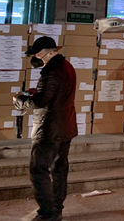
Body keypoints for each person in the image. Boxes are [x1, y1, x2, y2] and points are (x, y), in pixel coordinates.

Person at [14, 36, 77, 221]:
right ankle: (56, 209)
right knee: (59, 169)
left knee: (39, 171)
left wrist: (20, 100)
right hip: (65, 127)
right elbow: (55, 95)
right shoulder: (67, 67)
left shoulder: (51, 71)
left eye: (37, 54)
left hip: (49, 130)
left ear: (47, 53)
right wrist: (36, 92)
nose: (35, 57)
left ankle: (47, 214)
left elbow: (40, 102)